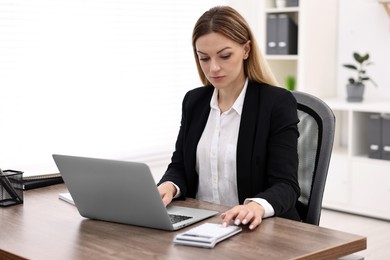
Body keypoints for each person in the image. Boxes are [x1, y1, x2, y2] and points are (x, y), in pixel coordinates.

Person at [157, 6, 300, 230]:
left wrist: (256, 207)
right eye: (204, 58)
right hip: (204, 226)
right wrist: (169, 185)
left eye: (225, 56)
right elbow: (180, 166)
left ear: (246, 50)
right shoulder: (194, 101)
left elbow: (286, 185)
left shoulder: (276, 103)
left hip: (257, 229)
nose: (213, 68)